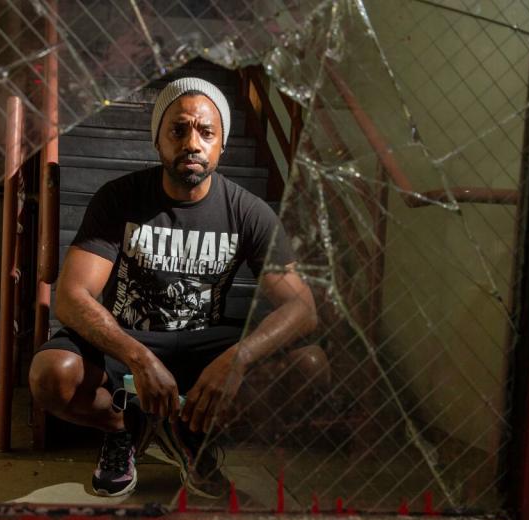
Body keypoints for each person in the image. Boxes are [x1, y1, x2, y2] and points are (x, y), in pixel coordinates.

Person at [28, 77, 317, 498]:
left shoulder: (248, 212)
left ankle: (192, 431)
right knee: (50, 375)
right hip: (129, 340)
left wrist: (237, 360)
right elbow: (72, 299)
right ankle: (124, 428)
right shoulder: (119, 199)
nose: (193, 143)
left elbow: (303, 308)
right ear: (158, 141)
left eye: (206, 132)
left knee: (309, 366)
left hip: (204, 347)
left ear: (221, 145)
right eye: (178, 130)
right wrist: (139, 359)